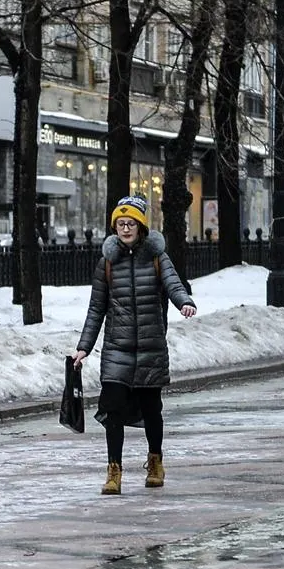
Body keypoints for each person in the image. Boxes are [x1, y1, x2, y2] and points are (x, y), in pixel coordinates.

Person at [71, 194, 196, 495]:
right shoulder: (107, 263)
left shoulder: (157, 257)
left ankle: (155, 461)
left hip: (151, 348)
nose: (125, 229)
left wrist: (184, 303)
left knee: (152, 409)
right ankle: (113, 470)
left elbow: (173, 284)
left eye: (131, 223)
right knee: (112, 410)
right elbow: (96, 309)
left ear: (141, 227)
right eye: (120, 224)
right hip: (117, 349)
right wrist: (83, 347)